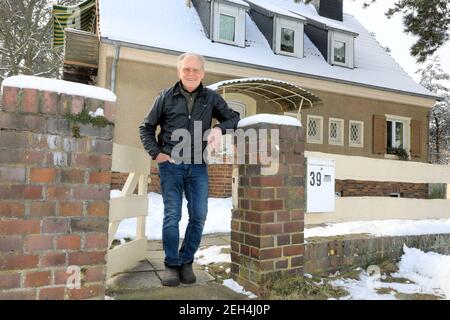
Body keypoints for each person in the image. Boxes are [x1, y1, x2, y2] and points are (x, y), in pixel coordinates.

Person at [139, 52, 240, 286]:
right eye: (187, 69)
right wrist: (157, 153)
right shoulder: (165, 97)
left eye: (196, 70)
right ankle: (171, 265)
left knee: (199, 215)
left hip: (197, 167)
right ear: (179, 71)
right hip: (171, 166)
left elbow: (233, 118)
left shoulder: (211, 98)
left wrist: (219, 129)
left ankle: (186, 262)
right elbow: (146, 127)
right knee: (172, 215)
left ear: (203, 73)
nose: (191, 73)